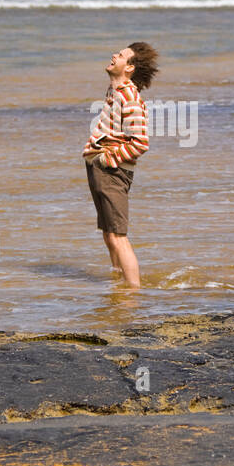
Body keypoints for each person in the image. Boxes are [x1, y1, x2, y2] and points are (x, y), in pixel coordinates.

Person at [83, 42, 158, 288]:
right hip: (101, 166)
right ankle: (118, 283)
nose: (114, 55)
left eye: (122, 55)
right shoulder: (115, 91)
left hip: (113, 170)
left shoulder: (130, 97)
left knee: (118, 235)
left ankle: (132, 293)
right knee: (108, 233)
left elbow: (140, 143)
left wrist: (107, 159)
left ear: (130, 68)